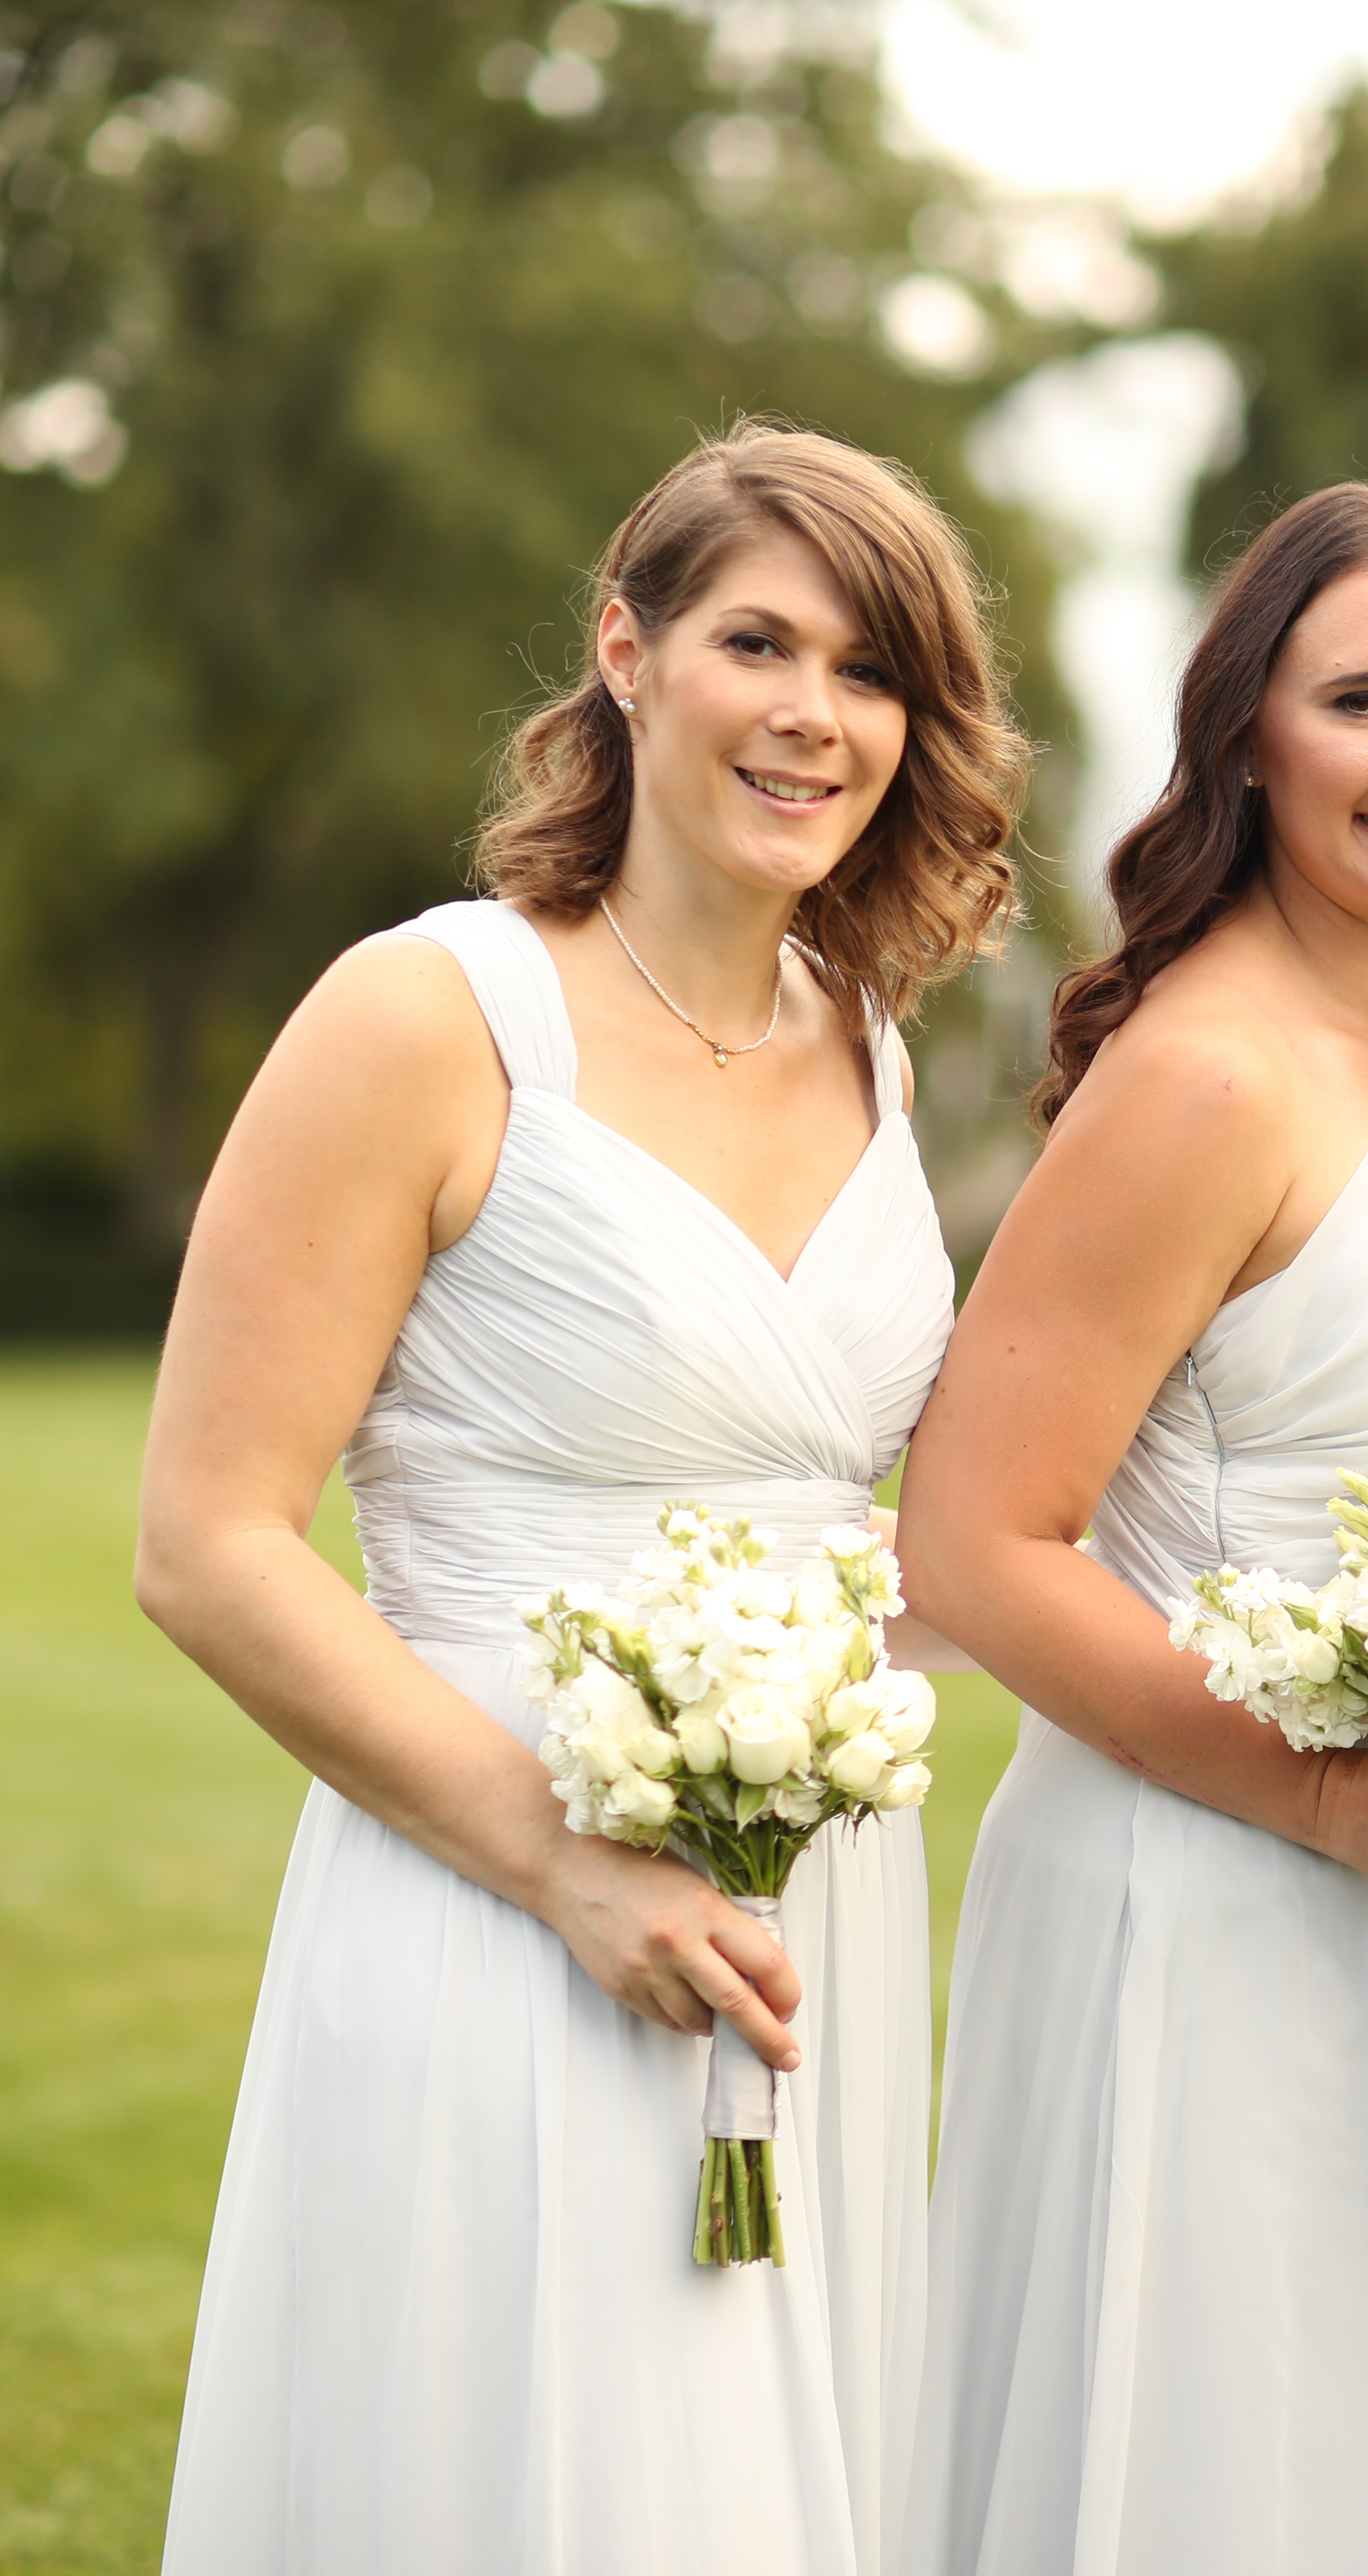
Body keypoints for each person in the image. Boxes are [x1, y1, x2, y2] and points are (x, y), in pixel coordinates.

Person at [137, 424, 1028, 2575]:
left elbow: (858, 1525)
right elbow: (209, 1542)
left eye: (874, 670)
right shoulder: (430, 1015)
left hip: (812, 1908)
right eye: (759, 642)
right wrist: (563, 1866)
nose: (818, 714)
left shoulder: (873, 1045)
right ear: (627, 656)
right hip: (498, 1894)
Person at [896, 481, 1368, 2575]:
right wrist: (1319, 1796)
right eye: (1363, 703)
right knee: (1199, 2474)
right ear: (1249, 738)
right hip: (1206, 1886)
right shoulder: (1210, 1076)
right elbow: (972, 1542)